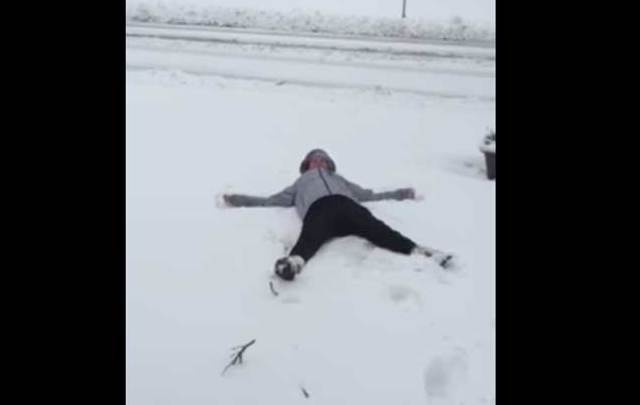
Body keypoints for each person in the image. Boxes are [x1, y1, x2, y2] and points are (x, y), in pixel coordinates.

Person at [222, 149, 454, 281]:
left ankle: (420, 251)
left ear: (329, 164)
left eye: (323, 159)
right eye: (314, 159)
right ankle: (293, 262)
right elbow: (271, 201)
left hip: (347, 206)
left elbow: (367, 195)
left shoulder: (339, 180)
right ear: (307, 165)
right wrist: (239, 200)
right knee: (310, 236)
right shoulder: (300, 182)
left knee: (378, 229)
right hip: (319, 209)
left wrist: (400, 193)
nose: (319, 162)